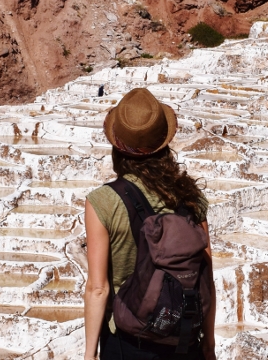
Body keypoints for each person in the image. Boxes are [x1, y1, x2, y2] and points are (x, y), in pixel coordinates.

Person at [84, 88, 216, 360]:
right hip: (183, 337)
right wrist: (208, 343)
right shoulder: (190, 196)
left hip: (127, 342)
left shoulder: (103, 201)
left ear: (117, 146)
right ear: (164, 143)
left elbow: (98, 288)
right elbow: (207, 276)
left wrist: (90, 353)